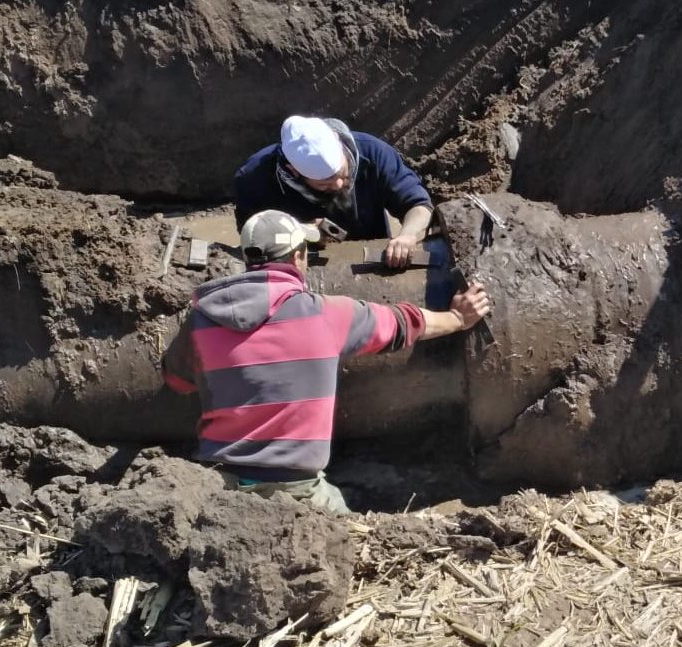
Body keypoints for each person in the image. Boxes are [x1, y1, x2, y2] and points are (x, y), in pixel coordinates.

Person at [161, 209, 490, 514]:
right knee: (353, 540)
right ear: (299, 256)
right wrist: (457, 318)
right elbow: (406, 324)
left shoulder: (201, 319)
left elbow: (177, 380)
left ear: (248, 260)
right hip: (296, 492)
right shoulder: (327, 314)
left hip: (217, 487)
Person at [233, 115, 433, 268]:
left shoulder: (374, 153)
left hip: (372, 259)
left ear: (338, 141)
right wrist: (300, 231)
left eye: (343, 174)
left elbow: (418, 205)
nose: (338, 185)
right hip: (299, 267)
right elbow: (253, 239)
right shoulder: (254, 179)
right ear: (294, 171)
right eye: (324, 183)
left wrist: (408, 236)